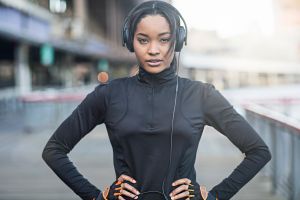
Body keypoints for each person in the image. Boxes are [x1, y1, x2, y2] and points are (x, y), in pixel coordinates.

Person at [42, 1, 271, 200]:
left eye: (164, 40)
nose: (153, 50)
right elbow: (54, 150)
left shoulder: (202, 95)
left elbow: (259, 151)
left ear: (178, 41)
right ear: (130, 42)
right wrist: (94, 196)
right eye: (143, 40)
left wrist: (215, 196)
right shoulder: (108, 94)